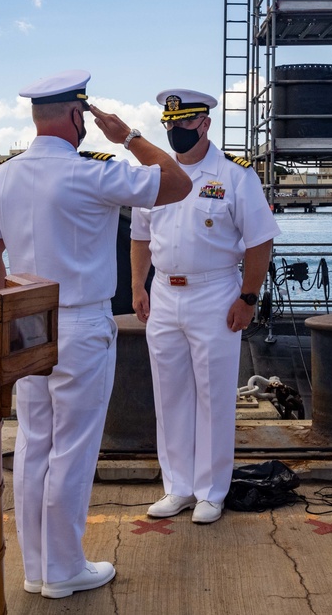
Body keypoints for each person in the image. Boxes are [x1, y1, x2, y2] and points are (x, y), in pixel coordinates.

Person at [0, 70, 191, 599]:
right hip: (80, 323)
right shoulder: (91, 173)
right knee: (72, 447)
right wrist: (129, 136)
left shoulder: (2, 177)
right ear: (78, 116)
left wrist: (4, 316)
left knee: (32, 446)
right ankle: (64, 568)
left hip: (25, 324)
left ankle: (36, 567)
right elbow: (178, 182)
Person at [130, 88, 281, 525]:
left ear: (205, 124)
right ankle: (177, 487)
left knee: (214, 396)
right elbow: (141, 235)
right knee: (170, 394)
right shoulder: (156, 173)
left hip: (215, 293)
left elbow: (259, 240)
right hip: (164, 294)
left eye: (184, 123)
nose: (175, 131)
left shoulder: (235, 175)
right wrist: (138, 285)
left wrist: (248, 298)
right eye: (170, 125)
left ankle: (212, 490)